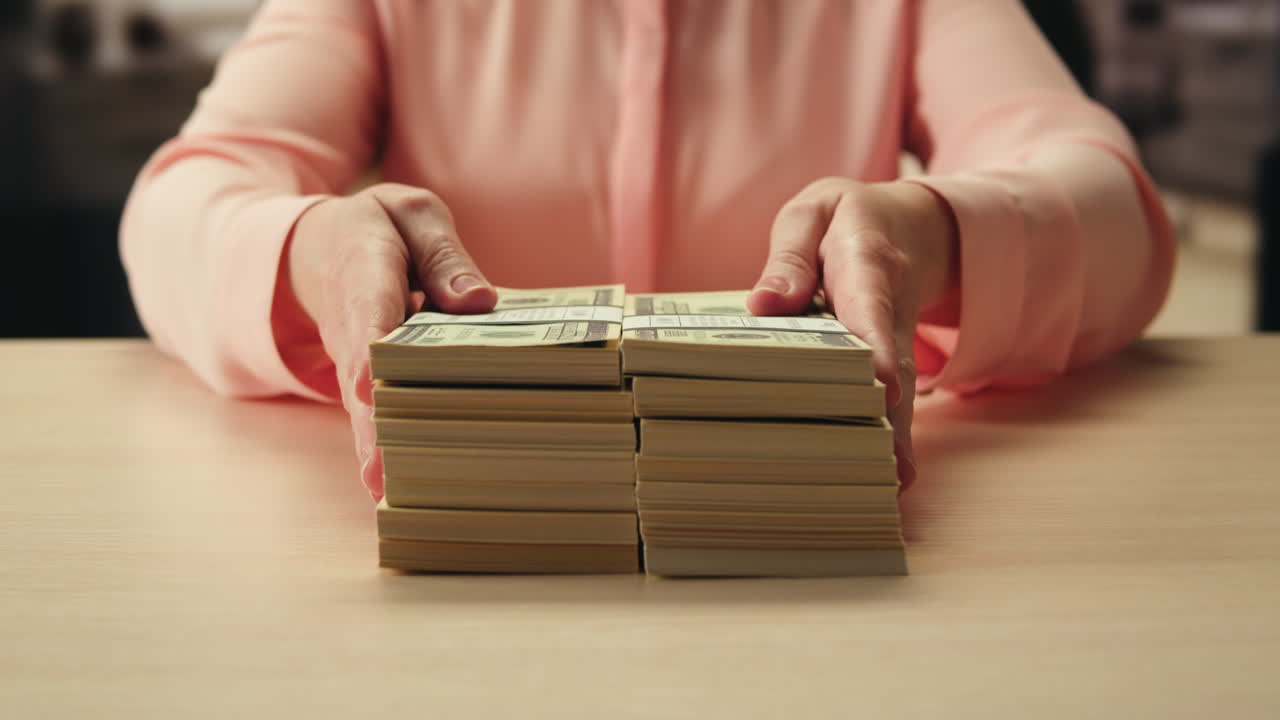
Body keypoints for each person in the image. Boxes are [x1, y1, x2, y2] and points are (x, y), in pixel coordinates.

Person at [120, 0, 1175, 499]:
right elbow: (180, 204)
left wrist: (931, 234)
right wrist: (307, 247)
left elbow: (1114, 212)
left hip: (815, 575)